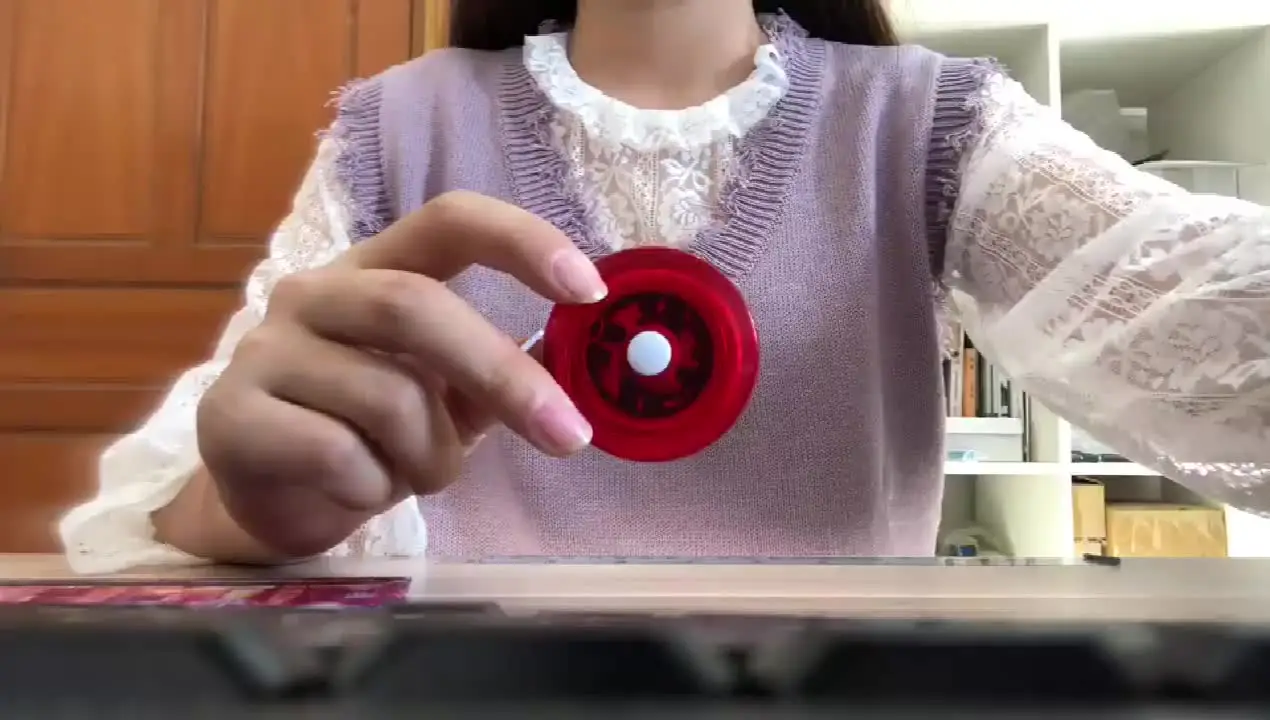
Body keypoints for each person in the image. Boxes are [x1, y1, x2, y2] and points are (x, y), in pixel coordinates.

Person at [61, 0, 1270, 573]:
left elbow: (1210, 316)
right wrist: (255, 508)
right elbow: (176, 506)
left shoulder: (934, 124)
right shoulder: (393, 132)